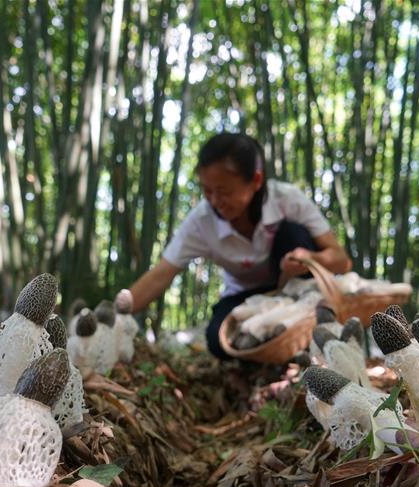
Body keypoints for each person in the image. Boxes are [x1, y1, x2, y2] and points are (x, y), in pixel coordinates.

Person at [116, 132, 352, 359]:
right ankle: (266, 352)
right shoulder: (202, 221)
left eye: (224, 191)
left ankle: (303, 342)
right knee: (217, 340)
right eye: (207, 191)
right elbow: (161, 275)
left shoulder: (287, 200)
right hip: (244, 298)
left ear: (256, 181)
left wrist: (309, 257)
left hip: (299, 293)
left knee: (292, 233)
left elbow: (342, 260)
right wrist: (115, 316)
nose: (215, 201)